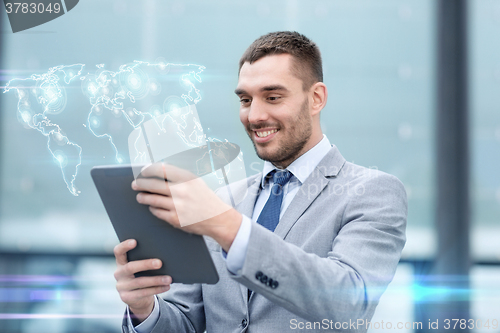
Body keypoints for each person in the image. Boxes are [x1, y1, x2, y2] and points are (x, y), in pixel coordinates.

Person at [114, 31, 407, 333]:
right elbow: (185, 322)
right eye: (245, 99)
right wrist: (143, 309)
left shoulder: (372, 192)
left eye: (273, 97)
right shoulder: (222, 200)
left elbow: (348, 304)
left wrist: (227, 227)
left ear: (316, 98)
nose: (254, 116)